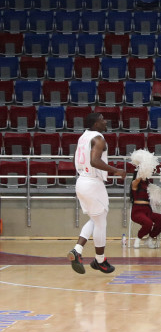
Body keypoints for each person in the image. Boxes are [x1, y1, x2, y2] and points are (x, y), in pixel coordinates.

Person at [68, 113, 126, 274]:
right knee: (101, 223)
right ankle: (100, 260)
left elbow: (76, 158)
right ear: (95, 124)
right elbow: (94, 160)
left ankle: (77, 250)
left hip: (81, 181)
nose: (105, 121)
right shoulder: (99, 138)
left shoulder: (82, 138)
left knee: (96, 218)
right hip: (92, 183)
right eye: (101, 119)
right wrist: (116, 171)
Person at [129, 169, 161, 249]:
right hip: (137, 211)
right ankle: (138, 238)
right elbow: (138, 179)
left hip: (148, 211)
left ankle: (150, 238)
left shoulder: (149, 185)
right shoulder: (135, 183)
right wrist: (144, 168)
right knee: (148, 223)